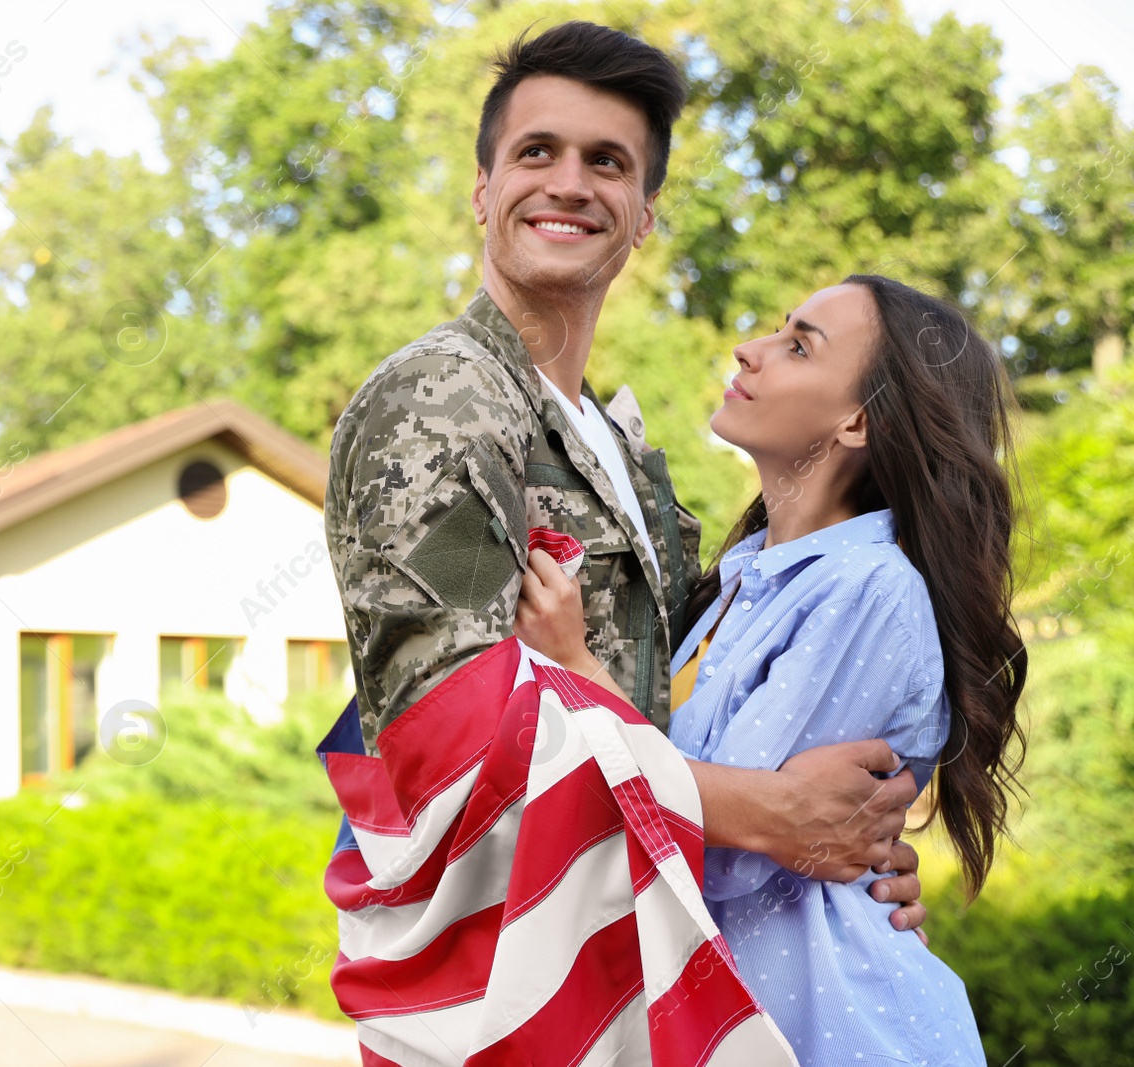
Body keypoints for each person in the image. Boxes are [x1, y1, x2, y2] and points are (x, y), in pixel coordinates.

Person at [325, 20, 927, 934]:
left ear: (644, 213)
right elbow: (447, 738)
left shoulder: (624, 455)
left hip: (637, 964)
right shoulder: (442, 397)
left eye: (608, 162)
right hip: (505, 975)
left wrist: (849, 860)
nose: (569, 182)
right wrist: (769, 819)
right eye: (537, 152)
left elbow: (698, 711)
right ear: (483, 191)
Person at [514, 275, 1026, 1064]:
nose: (748, 350)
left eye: (798, 345)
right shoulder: (741, 577)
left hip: (828, 1033)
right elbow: (739, 810)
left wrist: (574, 665)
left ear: (858, 419)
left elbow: (720, 854)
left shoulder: (870, 587)